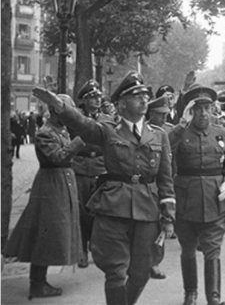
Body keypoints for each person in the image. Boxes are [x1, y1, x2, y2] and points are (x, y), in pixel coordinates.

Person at [32, 71, 176, 305]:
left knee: (141, 271)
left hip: (148, 208)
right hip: (113, 207)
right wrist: (60, 106)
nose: (143, 100)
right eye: (136, 95)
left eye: (145, 95)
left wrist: (168, 215)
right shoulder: (109, 130)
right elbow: (83, 125)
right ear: (121, 104)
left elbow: (166, 179)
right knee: (116, 271)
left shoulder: (159, 136)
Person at [3, 95, 84, 299]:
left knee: (52, 232)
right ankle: (37, 283)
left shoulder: (59, 130)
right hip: (51, 186)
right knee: (45, 233)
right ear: (56, 111)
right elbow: (57, 157)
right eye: (67, 111)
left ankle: (40, 280)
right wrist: (80, 141)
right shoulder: (45, 133)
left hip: (61, 183)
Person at [168, 85, 225, 305]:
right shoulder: (180, 133)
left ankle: (214, 298)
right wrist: (181, 124)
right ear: (191, 111)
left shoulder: (221, 133)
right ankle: (191, 294)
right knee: (188, 249)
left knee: (213, 250)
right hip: (186, 201)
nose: (203, 113)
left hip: (215, 199)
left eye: (207, 108)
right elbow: (164, 148)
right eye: (198, 109)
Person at [71, 79, 109, 269]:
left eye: (98, 97)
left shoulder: (106, 119)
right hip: (81, 166)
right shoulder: (77, 119)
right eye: (92, 97)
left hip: (100, 167)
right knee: (81, 212)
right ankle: (82, 251)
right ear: (84, 100)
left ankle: (96, 247)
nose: (96, 100)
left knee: (99, 211)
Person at [145, 94, 176, 280]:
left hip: (161, 184)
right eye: (159, 114)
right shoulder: (145, 130)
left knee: (160, 226)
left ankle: (154, 263)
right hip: (147, 184)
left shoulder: (169, 131)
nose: (164, 118)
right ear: (151, 114)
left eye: (166, 114)